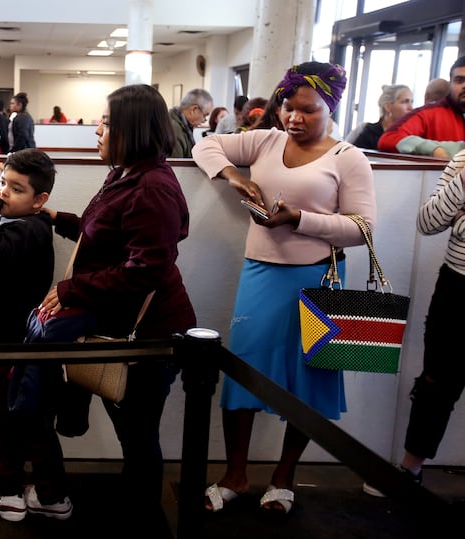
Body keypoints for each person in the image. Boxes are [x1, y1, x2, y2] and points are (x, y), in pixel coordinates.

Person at [192, 61, 376, 515]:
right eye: (287, 107)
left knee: (309, 382)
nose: (293, 118)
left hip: (319, 279)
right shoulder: (265, 140)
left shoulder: (348, 158)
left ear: (330, 108)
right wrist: (234, 175)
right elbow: (209, 145)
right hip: (261, 274)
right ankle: (236, 474)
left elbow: (363, 228)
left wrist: (299, 218)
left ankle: (284, 478)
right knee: (242, 376)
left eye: (307, 110)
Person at [38, 84, 196, 533]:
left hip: (151, 336)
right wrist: (53, 217)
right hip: (125, 328)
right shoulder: (128, 173)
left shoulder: (153, 188)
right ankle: (137, 510)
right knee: (133, 432)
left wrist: (72, 290)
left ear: (133, 128)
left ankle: (144, 521)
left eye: (106, 123)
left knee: (139, 436)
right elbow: (100, 235)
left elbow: (143, 272)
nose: (98, 131)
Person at [0, 149, 72, 522]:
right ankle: (45, 493)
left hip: (7, 346)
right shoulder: (21, 225)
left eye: (16, 189)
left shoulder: (31, 229)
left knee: (13, 421)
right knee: (22, 420)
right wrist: (5, 186)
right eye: (2, 183)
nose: (3, 193)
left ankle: (12, 490)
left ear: (40, 201)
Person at [363, 148, 465, 498]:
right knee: (436, 382)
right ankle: (410, 469)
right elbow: (428, 223)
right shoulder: (462, 161)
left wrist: (461, 220)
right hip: (457, 286)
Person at [378, 56, 465, 158]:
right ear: (450, 84)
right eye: (459, 80)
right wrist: (434, 149)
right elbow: (388, 139)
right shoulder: (429, 114)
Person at [346, 84, 413, 150]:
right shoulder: (366, 131)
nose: (411, 108)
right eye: (405, 102)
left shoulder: (411, 136)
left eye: (411, 102)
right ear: (388, 107)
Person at [168, 88, 214, 157]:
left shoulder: (183, 126)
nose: (204, 120)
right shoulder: (174, 129)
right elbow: (176, 165)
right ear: (194, 110)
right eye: (205, 115)